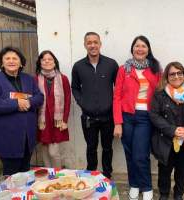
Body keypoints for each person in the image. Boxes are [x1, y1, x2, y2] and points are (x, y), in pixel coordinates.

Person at [0, 46, 44, 175]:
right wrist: (16, 104)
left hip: (27, 138)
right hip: (7, 138)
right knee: (12, 177)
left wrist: (29, 102)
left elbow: (39, 97)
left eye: (15, 58)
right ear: (2, 63)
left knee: (26, 174)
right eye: (7, 58)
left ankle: (23, 195)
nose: (11, 61)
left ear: (21, 63)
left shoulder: (28, 79)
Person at [113, 35, 161, 200]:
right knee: (129, 153)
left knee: (141, 155)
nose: (140, 49)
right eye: (137, 46)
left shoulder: (155, 69)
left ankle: (146, 186)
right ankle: (134, 184)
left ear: (148, 50)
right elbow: (117, 96)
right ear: (132, 49)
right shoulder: (123, 69)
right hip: (127, 116)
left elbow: (166, 87)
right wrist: (117, 122)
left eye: (143, 46)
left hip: (145, 118)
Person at [150, 61, 184, 200]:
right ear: (167, 77)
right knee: (164, 170)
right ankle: (164, 194)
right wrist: (172, 130)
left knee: (182, 170)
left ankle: (179, 194)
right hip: (166, 139)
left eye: (179, 73)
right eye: (172, 74)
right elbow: (154, 115)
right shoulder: (160, 94)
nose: (176, 76)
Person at [71, 32, 119, 179]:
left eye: (95, 42)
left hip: (108, 117)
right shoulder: (78, 66)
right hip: (88, 118)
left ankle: (107, 175)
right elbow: (75, 87)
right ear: (85, 45)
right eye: (89, 42)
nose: (92, 45)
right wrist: (82, 102)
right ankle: (91, 174)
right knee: (91, 148)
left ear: (100, 44)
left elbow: (119, 88)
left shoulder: (111, 64)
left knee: (107, 148)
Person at [35, 50, 71, 168]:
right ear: (40, 63)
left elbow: (67, 100)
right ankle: (48, 176)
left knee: (54, 152)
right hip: (42, 120)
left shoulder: (63, 79)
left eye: (50, 59)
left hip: (57, 121)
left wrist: (65, 120)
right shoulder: (35, 79)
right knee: (45, 151)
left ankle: (58, 174)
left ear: (54, 62)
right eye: (44, 59)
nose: (47, 61)